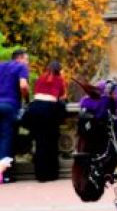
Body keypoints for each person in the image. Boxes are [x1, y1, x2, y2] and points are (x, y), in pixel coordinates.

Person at [23, 60, 68, 182]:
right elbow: (62, 97)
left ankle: (40, 175)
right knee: (51, 143)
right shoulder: (59, 80)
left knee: (40, 143)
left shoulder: (40, 78)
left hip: (36, 109)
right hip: (49, 111)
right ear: (59, 70)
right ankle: (51, 174)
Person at [0, 48, 30, 183]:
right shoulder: (21, 67)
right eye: (27, 59)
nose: (27, 63)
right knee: (7, 141)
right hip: (9, 106)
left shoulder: (1, 66)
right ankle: (4, 175)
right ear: (20, 58)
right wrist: (26, 99)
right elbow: (23, 86)